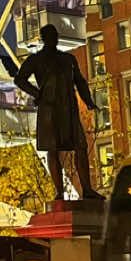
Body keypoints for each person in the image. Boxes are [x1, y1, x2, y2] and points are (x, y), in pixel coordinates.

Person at [14, 24, 98, 201]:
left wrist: (88, 101)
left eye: (55, 35)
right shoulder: (36, 60)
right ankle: (59, 192)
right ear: (45, 38)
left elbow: (80, 82)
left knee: (80, 147)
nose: (54, 38)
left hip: (69, 108)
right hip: (49, 109)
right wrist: (38, 93)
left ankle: (87, 189)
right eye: (51, 35)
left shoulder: (68, 59)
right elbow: (19, 79)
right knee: (52, 150)